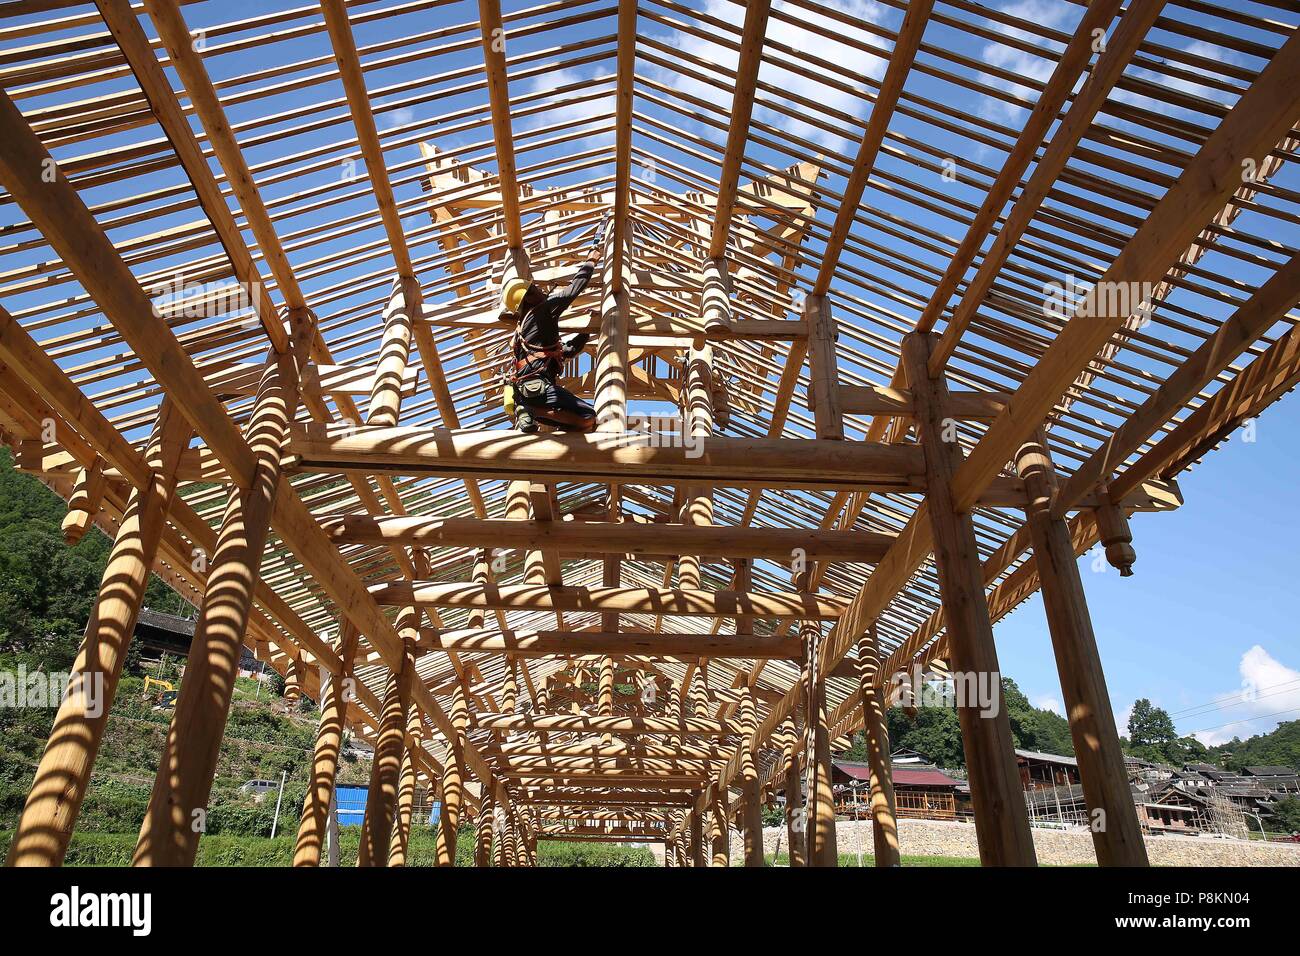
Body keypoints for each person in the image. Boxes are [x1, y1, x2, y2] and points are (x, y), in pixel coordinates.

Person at [500, 215, 609, 433]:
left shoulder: (526, 329)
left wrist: (586, 333)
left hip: (529, 390)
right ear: (528, 298)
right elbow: (574, 289)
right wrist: (592, 260)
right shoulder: (541, 312)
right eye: (534, 289)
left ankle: (530, 411)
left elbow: (564, 352)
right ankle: (531, 411)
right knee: (589, 417)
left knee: (584, 424)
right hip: (539, 389)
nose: (540, 290)